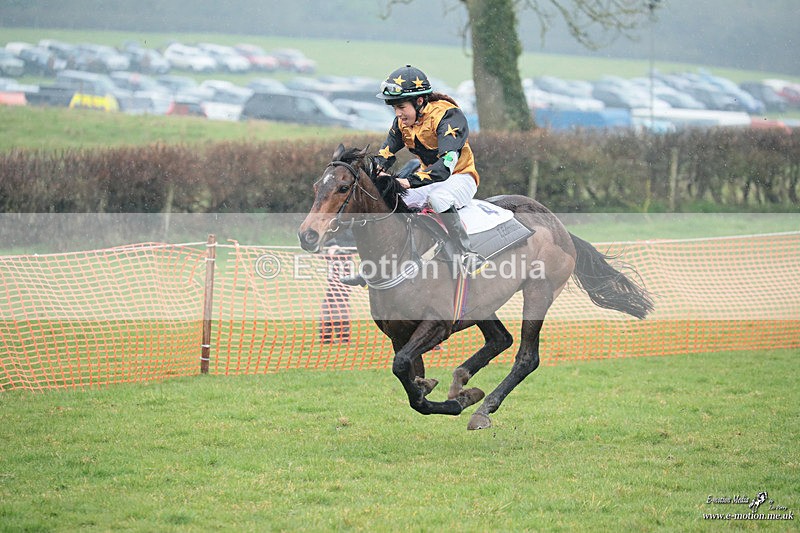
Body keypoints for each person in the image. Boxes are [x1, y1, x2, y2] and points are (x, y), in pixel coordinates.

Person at [340, 65, 480, 285]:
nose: (398, 114)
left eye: (401, 107)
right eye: (394, 108)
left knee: (439, 199)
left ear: (419, 101)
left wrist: (407, 181)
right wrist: (372, 173)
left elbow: (444, 168)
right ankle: (373, 267)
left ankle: (467, 253)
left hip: (461, 177)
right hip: (428, 179)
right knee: (391, 202)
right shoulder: (402, 123)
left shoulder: (449, 117)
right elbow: (384, 156)